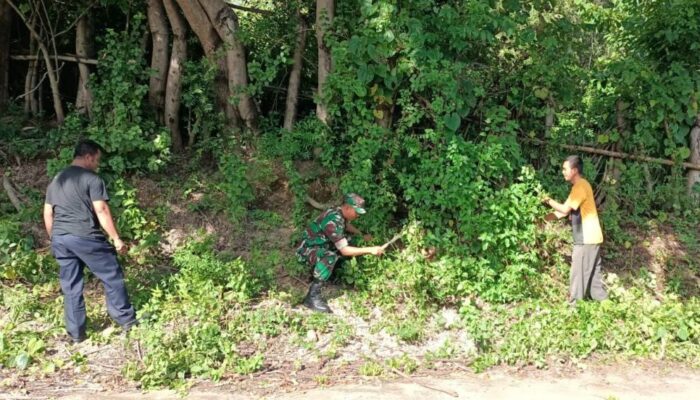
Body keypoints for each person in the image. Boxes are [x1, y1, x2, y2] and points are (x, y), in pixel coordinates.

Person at [44, 140, 137, 343]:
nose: (97, 164)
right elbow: (101, 210)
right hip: (85, 236)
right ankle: (127, 322)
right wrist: (116, 238)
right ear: (88, 157)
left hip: (61, 238)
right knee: (111, 275)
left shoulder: (57, 179)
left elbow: (48, 213)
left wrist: (55, 238)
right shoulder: (92, 179)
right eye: (96, 159)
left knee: (71, 286)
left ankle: (76, 334)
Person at [296, 193, 384, 313]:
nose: (358, 215)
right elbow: (345, 250)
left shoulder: (339, 213)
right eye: (356, 212)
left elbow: (346, 225)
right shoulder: (333, 219)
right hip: (307, 250)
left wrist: (361, 235)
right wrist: (370, 249)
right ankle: (312, 297)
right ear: (347, 207)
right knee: (329, 256)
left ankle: (331, 275)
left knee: (348, 241)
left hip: (320, 245)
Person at [543, 155, 608, 305]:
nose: (563, 172)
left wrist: (548, 200)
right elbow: (562, 212)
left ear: (574, 170)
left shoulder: (580, 186)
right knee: (594, 280)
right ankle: (605, 305)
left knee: (577, 275)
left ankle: (574, 309)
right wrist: (544, 219)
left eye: (565, 169)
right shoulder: (580, 187)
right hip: (593, 238)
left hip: (586, 239)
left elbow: (564, 209)